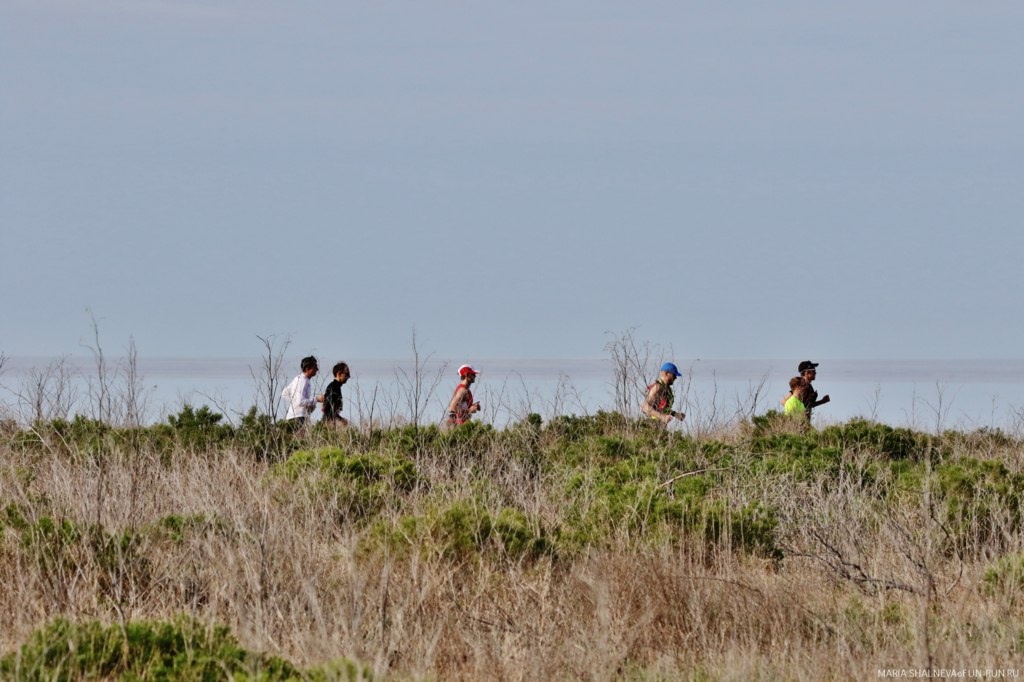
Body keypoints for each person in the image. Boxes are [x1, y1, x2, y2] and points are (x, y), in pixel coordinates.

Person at [281, 355, 323, 428]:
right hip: (297, 418)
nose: (317, 369)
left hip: (298, 416)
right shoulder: (301, 380)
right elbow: (300, 401)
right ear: (307, 369)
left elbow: (285, 393)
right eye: (315, 367)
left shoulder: (303, 379)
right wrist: (316, 399)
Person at [642, 362, 686, 426]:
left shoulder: (667, 389)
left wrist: (676, 414)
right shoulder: (657, 387)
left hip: (660, 425)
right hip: (652, 425)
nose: (676, 378)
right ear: (666, 373)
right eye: (674, 375)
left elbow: (662, 408)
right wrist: (662, 417)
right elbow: (645, 407)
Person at [321, 361, 350, 428]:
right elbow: (328, 409)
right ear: (339, 374)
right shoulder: (334, 387)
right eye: (347, 374)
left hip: (330, 421)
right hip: (328, 423)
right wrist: (340, 419)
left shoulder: (335, 386)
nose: (348, 376)